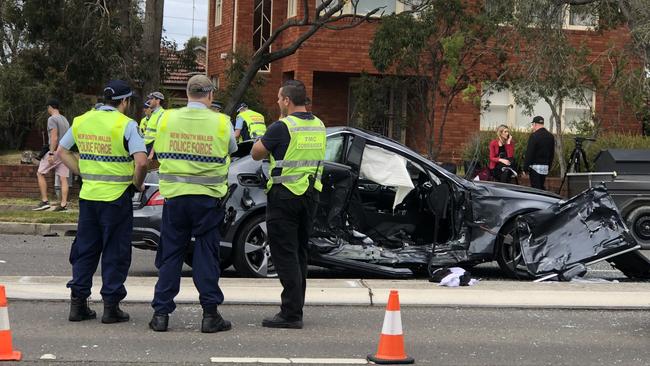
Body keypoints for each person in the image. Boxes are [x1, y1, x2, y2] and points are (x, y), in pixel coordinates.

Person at [149, 75, 237, 333]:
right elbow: (230, 149)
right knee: (206, 256)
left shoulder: (165, 118)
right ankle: (210, 315)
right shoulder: (222, 122)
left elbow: (154, 149)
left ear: (187, 93)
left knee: (171, 255)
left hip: (175, 198)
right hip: (207, 200)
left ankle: (161, 315)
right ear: (209, 95)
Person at [56, 80, 148, 324]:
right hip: (117, 198)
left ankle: (78, 305)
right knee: (115, 251)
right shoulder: (127, 125)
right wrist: (137, 183)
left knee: (85, 250)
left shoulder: (81, 120)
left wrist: (83, 173)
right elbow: (141, 162)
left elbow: (61, 152)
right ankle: (111, 307)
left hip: (89, 197)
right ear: (124, 101)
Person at [251, 80, 326, 329]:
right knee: (300, 253)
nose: (277, 102)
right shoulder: (319, 125)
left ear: (287, 101)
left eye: (279, 98)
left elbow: (256, 153)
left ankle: (291, 313)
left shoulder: (282, 127)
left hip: (285, 196)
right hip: (311, 195)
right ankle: (296, 306)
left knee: (284, 254)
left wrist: (268, 138)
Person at [33, 99, 71, 211]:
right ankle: (63, 205)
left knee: (40, 173)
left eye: (47, 108)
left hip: (55, 151)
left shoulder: (52, 119)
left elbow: (54, 137)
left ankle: (45, 201)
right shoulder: (65, 120)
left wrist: (50, 153)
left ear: (50, 107)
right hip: (65, 152)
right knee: (63, 178)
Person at [523, 116, 555, 190]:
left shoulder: (534, 136)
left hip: (535, 168)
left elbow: (529, 153)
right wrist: (548, 166)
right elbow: (552, 154)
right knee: (541, 187)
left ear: (534, 124)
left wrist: (525, 168)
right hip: (545, 167)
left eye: (532, 125)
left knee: (536, 190)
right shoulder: (551, 136)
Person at [143, 91, 166, 159]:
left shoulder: (162, 114)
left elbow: (160, 135)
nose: (149, 101)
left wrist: (152, 153)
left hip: (153, 150)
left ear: (158, 101)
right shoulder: (154, 114)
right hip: (147, 147)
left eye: (151, 99)